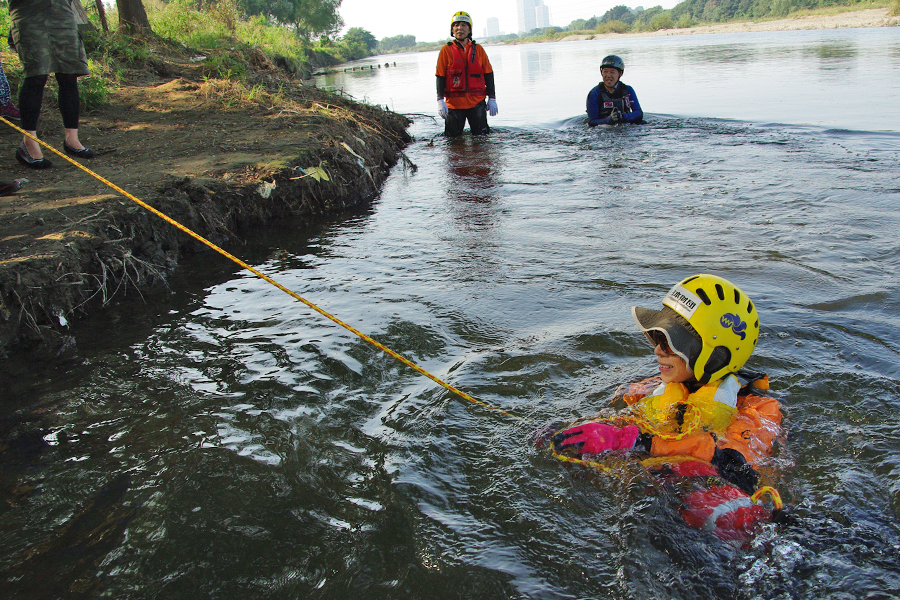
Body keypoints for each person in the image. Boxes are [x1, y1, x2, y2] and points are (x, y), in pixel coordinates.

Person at [544, 274, 785, 542]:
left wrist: (641, 443)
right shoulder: (655, 387)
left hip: (707, 519)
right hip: (651, 493)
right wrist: (573, 433)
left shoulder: (759, 410)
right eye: (657, 336)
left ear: (713, 353)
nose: (658, 350)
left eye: (671, 342)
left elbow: (732, 463)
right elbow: (624, 422)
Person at [10, 0, 95, 170]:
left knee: (69, 75)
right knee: (36, 75)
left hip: (61, 12)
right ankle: (29, 142)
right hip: (29, 12)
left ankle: (72, 139)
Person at [435, 11, 498, 137]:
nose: (460, 28)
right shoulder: (445, 51)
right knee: (452, 142)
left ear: (469, 29)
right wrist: (440, 100)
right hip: (454, 104)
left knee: (482, 140)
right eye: (456, 25)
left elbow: (489, 75)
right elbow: (440, 76)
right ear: (452, 29)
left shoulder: (479, 50)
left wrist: (492, 98)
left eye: (464, 25)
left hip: (477, 103)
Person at [586, 55, 643, 127]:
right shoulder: (594, 94)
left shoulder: (628, 90)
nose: (608, 75)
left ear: (620, 74)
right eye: (605, 71)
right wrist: (610, 120)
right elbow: (592, 121)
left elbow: (638, 113)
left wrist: (622, 117)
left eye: (612, 72)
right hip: (604, 130)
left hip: (625, 127)